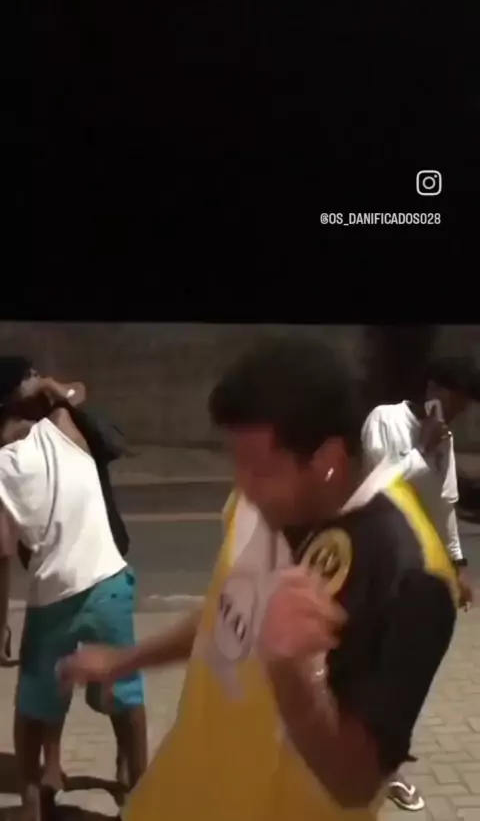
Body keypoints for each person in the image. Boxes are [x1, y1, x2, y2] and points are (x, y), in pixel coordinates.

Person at [60, 338, 458, 821]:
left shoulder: (409, 572)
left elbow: (355, 783)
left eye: (260, 468)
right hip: (179, 792)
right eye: (237, 462)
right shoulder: (256, 502)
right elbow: (225, 610)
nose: (243, 485)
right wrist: (128, 659)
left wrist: (292, 671)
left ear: (328, 459)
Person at [0, 357, 147, 821]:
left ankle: (32, 806)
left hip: (53, 597)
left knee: (35, 703)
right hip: (109, 581)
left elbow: (3, 557)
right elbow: (73, 393)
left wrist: (2, 623)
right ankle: (140, 792)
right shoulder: (62, 425)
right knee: (125, 692)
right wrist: (47, 385)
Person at [361, 353, 479, 812]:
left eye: (463, 408)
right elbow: (377, 490)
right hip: (378, 566)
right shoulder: (385, 420)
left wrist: (458, 563)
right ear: (432, 391)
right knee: (370, 666)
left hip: (421, 575)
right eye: (454, 403)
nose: (456, 415)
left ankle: (387, 760)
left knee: (406, 675)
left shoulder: (444, 440)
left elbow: (444, 507)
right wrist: (422, 449)